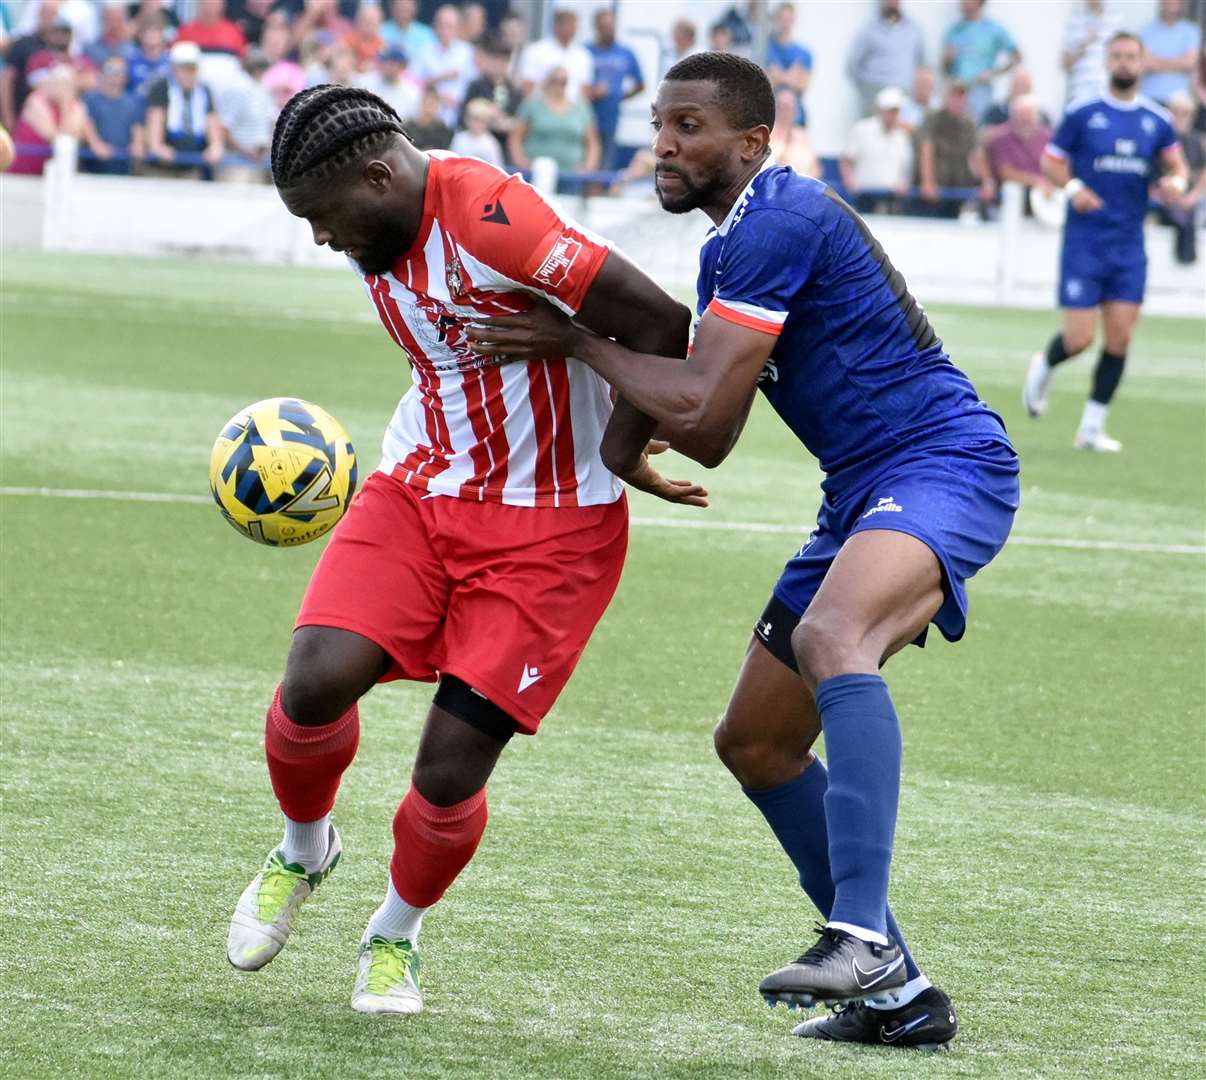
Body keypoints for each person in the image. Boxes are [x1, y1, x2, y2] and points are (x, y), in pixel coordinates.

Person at [466, 51, 1019, 1054]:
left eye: (689, 128)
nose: (664, 148)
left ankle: (857, 937)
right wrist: (624, 448)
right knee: (755, 743)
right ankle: (902, 998)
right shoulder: (731, 250)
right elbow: (710, 425)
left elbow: (692, 400)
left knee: (835, 633)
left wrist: (578, 341)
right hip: (859, 491)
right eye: (659, 126)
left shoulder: (780, 219)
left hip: (944, 464)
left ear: (753, 141)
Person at [227, 82, 702, 1017]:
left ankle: (394, 934)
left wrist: (620, 452)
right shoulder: (374, 221)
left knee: (450, 765)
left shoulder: (496, 220)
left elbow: (663, 327)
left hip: (554, 527)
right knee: (315, 676)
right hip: (422, 483)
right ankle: (303, 848)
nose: (322, 239)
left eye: (324, 218)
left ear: (378, 173)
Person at [1023, 32, 1188, 452]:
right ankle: (1045, 365)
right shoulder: (1083, 113)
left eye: (1132, 56)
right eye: (1117, 56)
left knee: (1120, 339)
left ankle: (1091, 429)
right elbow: (1051, 161)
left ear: (1143, 62)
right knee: (1079, 339)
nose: (1125, 63)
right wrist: (1074, 187)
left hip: (1129, 245)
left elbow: (1176, 166)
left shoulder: (1156, 119)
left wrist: (1175, 183)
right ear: (1108, 62)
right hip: (1085, 242)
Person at [143, 40, 225, 178]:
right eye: (185, 68)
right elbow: (155, 122)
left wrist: (215, 147)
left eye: (193, 69)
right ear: (174, 69)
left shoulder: (203, 91)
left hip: (192, 165)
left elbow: (212, 123)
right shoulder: (161, 88)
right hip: (163, 168)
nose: (189, 74)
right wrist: (157, 146)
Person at [916, 80, 994, 218]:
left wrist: (987, 182)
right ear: (946, 97)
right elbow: (926, 149)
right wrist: (928, 182)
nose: (958, 101)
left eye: (961, 97)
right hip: (934, 193)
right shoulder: (932, 118)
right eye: (954, 96)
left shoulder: (969, 123)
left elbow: (978, 154)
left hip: (957, 192)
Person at [510, 66, 599, 182]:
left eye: (563, 82)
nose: (559, 85)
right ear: (547, 82)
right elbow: (516, 136)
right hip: (537, 172)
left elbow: (592, 140)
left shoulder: (581, 107)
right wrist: (521, 162)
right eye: (555, 81)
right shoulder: (532, 105)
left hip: (572, 174)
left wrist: (588, 167)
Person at [942, 0, 1020, 122]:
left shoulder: (993, 29)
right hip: (958, 89)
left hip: (980, 90)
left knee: (977, 128)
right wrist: (948, 60)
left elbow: (1017, 56)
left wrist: (993, 73)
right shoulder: (954, 30)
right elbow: (945, 69)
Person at [846, 0, 925, 118]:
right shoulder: (868, 29)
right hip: (874, 93)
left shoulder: (914, 30)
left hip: (903, 94)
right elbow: (852, 65)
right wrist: (867, 90)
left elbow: (921, 63)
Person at [586, 9, 643, 172]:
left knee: (605, 165)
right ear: (596, 28)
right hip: (586, 116)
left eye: (611, 26)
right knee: (587, 163)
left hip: (611, 118)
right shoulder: (585, 51)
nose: (609, 30)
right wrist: (592, 92)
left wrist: (619, 96)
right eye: (604, 26)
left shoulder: (625, 53)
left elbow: (640, 84)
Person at [840, 85, 912, 212]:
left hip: (891, 200)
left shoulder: (902, 137)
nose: (892, 115)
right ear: (880, 109)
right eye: (890, 110)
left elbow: (904, 171)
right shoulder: (862, 129)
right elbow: (846, 161)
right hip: (864, 197)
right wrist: (851, 184)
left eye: (895, 111)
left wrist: (903, 185)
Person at [8, 62, 86, 175]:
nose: (60, 87)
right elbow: (53, 138)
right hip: (22, 171)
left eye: (65, 84)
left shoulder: (76, 106)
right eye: (57, 82)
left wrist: (65, 107)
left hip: (51, 173)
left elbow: (69, 137)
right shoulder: (36, 101)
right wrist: (66, 107)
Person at [1159, 90, 1206, 263]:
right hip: (1163, 197)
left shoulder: (1195, 142)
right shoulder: (1159, 139)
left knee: (1189, 211)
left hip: (1188, 198)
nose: (1180, 118)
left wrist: (1192, 197)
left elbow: (1203, 173)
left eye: (1185, 113)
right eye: (1176, 112)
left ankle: (1187, 257)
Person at [1, 0, 63, 131]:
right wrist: (8, 115)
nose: (49, 18)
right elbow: (6, 79)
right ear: (39, 14)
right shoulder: (23, 43)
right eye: (46, 13)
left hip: (54, 117)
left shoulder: (62, 48)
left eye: (53, 14)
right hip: (23, 114)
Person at [459, 32, 521, 160]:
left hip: (504, 147)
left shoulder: (514, 90)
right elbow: (463, 116)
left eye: (504, 61)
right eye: (496, 59)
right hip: (476, 143)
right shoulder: (476, 86)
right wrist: (487, 117)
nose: (500, 65)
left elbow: (519, 118)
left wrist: (507, 123)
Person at [217, 45, 273, 179]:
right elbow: (224, 128)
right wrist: (245, 151)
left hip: (259, 162)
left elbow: (270, 121)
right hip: (236, 163)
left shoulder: (261, 88)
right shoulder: (237, 88)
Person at [412, 4, 474, 126]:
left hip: (458, 117)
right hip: (427, 117)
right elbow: (412, 82)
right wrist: (440, 79)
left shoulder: (468, 52)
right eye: (441, 25)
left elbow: (472, 85)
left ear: (458, 28)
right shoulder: (423, 51)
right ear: (434, 26)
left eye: (450, 26)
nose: (445, 31)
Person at [82, 54, 145, 174]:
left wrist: (137, 144)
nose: (114, 75)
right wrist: (96, 144)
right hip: (93, 166)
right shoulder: (90, 99)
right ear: (101, 73)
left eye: (120, 71)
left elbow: (137, 128)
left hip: (122, 166)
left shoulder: (133, 102)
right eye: (110, 70)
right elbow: (86, 123)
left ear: (126, 77)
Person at [517, 7, 593, 102]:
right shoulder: (535, 51)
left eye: (574, 25)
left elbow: (585, 90)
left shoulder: (583, 55)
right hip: (541, 110)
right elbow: (527, 86)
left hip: (573, 112)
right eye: (567, 24)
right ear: (556, 26)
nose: (572, 28)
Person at [985, 93, 1052, 199]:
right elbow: (1005, 173)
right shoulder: (1002, 138)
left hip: (1044, 197)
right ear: (1013, 117)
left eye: (1028, 116)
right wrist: (1036, 181)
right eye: (1021, 116)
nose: (1025, 121)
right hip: (1014, 197)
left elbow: (1057, 165)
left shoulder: (1047, 136)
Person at [1139, 0, 1200, 106]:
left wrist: (1157, 62)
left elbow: (1190, 62)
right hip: (1150, 97)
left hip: (1180, 101)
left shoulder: (1191, 31)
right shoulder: (1145, 31)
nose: (1171, 4)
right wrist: (1179, 62)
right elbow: (1145, 63)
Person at [1062, 0, 1122, 104]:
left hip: (1107, 89)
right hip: (1080, 90)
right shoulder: (1076, 20)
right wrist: (1085, 42)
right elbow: (1066, 62)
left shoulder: (1116, 19)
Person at [764, 3, 811, 126]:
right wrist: (791, 76)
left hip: (796, 116)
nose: (785, 23)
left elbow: (802, 86)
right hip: (769, 114)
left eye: (788, 19)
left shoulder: (804, 53)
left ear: (793, 20)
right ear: (775, 19)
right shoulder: (765, 49)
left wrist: (778, 76)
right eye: (781, 19)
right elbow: (765, 82)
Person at [356, 44, 420, 122]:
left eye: (391, 63)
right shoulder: (364, 81)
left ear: (402, 67)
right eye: (384, 61)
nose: (385, 66)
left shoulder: (411, 95)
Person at [767, 85, 817, 177]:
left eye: (791, 106)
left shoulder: (802, 134)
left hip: (804, 185)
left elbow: (816, 168)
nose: (786, 110)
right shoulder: (767, 133)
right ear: (775, 107)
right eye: (783, 106)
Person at [981, 68, 1051, 129]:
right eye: (1018, 84)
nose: (1021, 89)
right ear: (1009, 86)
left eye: (1025, 85)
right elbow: (983, 135)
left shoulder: (1042, 117)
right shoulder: (995, 113)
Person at [449, 95, 502, 167]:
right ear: (467, 119)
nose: (478, 124)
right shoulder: (459, 138)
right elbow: (451, 162)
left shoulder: (490, 143)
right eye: (475, 119)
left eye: (482, 120)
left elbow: (497, 168)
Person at [85, 2, 138, 71]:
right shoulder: (91, 50)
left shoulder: (132, 51)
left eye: (118, 19)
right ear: (103, 20)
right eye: (110, 19)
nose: (114, 24)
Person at [128, 18, 171, 95]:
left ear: (162, 34)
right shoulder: (131, 61)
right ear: (140, 35)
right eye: (147, 31)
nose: (151, 35)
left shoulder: (171, 61)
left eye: (155, 31)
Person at [341, 3, 385, 74]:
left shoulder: (381, 44)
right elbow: (343, 64)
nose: (370, 27)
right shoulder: (348, 41)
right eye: (367, 22)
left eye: (373, 23)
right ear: (358, 21)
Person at [406, 84, 452, 149]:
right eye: (427, 103)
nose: (429, 108)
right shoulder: (407, 127)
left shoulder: (443, 129)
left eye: (433, 104)